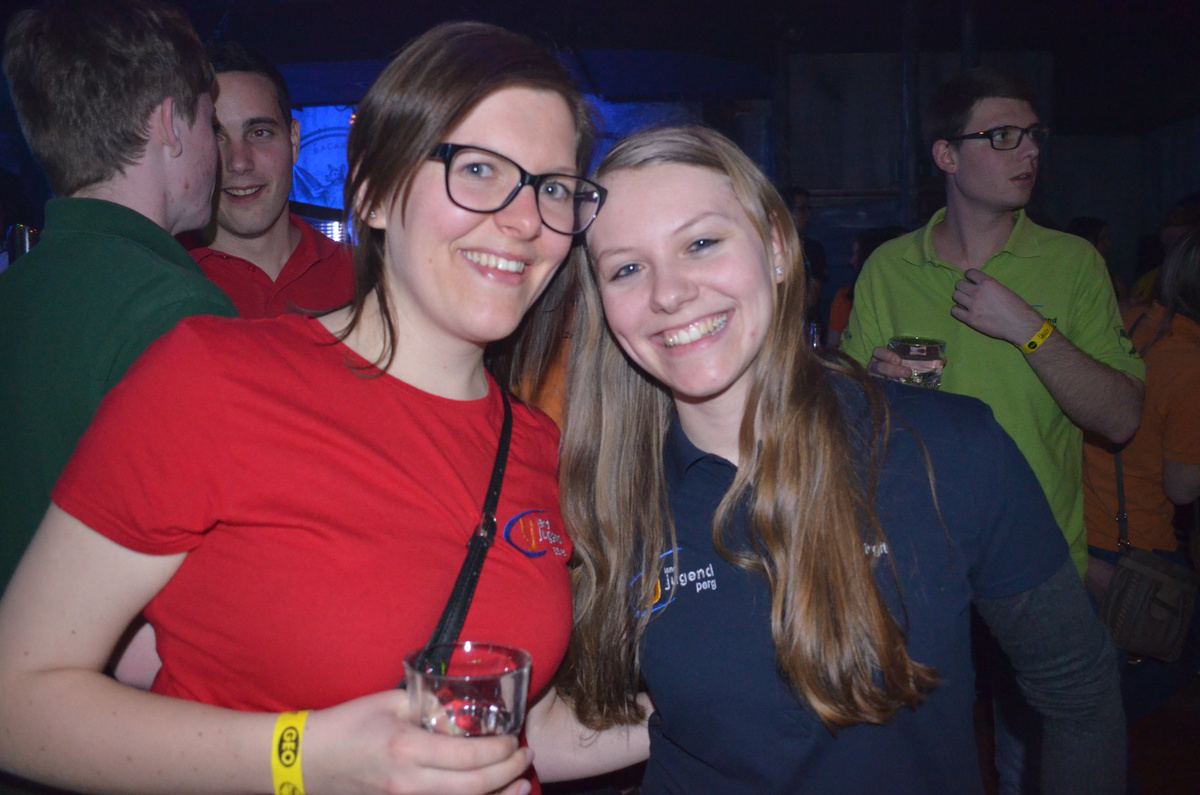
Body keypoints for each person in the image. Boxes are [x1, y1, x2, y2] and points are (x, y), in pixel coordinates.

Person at [0, 21, 604, 795]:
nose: (525, 221)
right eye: (479, 169)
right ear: (372, 193)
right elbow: (17, 699)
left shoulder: (539, 446)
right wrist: (304, 756)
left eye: (554, 187)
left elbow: (512, 726)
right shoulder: (211, 379)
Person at [547, 124, 1124, 794]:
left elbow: (1078, 689)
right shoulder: (604, 490)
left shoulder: (945, 448)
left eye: (701, 243)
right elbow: (624, 717)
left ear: (776, 247)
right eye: (626, 268)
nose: (668, 293)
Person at [841, 66, 1144, 794]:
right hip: (917, 565)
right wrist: (875, 388)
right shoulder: (889, 268)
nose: (1029, 151)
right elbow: (842, 425)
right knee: (919, 762)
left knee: (1029, 762)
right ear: (947, 155)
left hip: (1037, 565)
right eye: (1003, 136)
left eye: (1033, 135)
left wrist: (1029, 330)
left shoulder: (1072, 263)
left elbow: (1122, 417)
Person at [0, 0, 235, 594]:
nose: (223, 154)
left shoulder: (16, 289)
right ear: (169, 124)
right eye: (211, 125)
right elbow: (213, 585)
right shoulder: (179, 314)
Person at [1083, 227, 1200, 726]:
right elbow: (1182, 487)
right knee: (1175, 659)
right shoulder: (1191, 365)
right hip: (1134, 547)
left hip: (1079, 523)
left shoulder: (1125, 319)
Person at [186, 41, 354, 317]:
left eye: (260, 133)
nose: (239, 162)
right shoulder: (162, 290)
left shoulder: (365, 280)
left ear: (294, 141)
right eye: (216, 137)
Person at [826, 225, 906, 348]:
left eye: (857, 253)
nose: (852, 260)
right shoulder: (845, 296)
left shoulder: (904, 295)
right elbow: (834, 345)